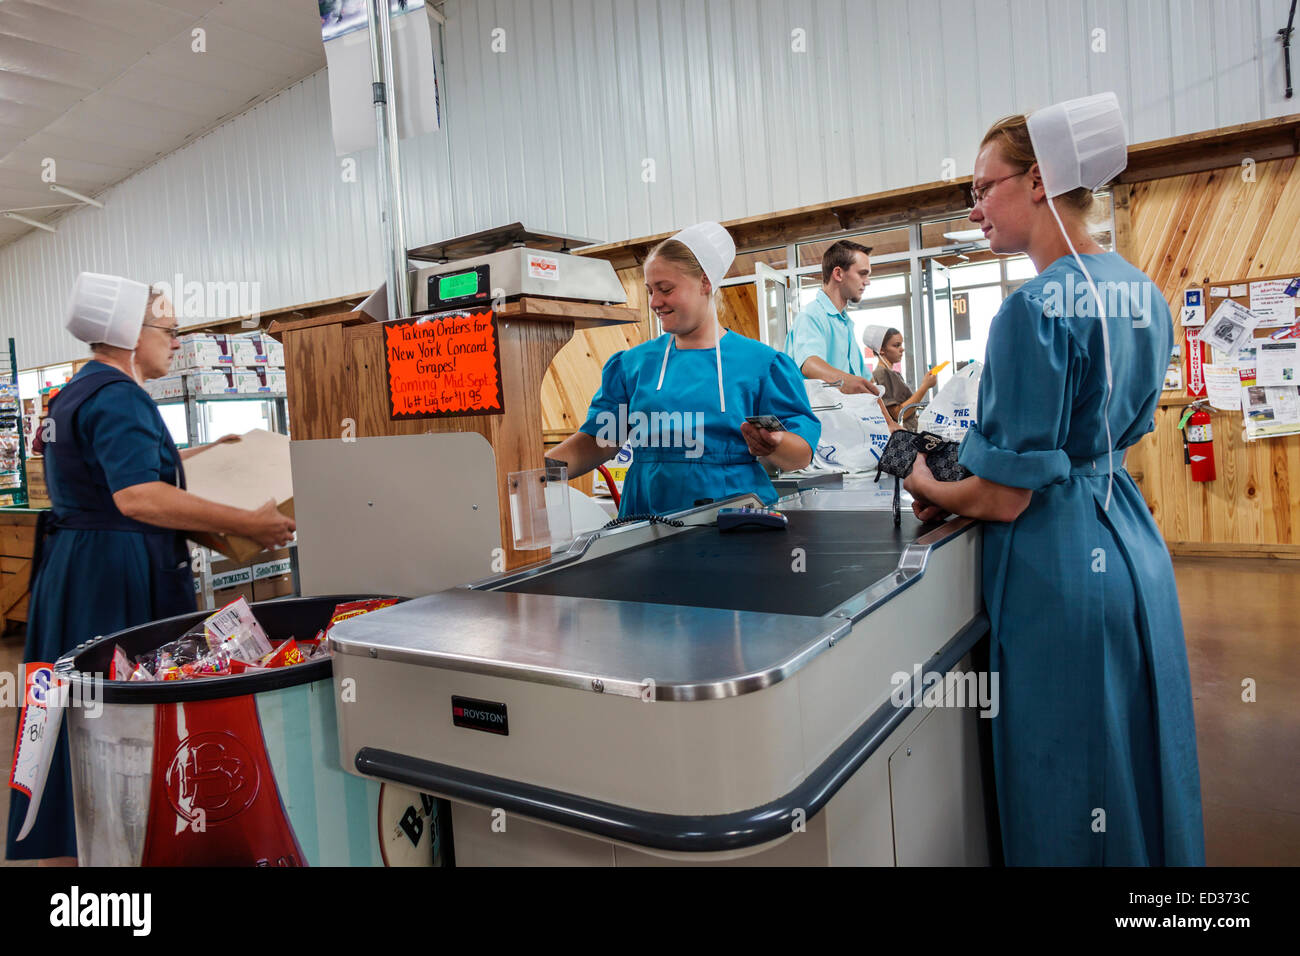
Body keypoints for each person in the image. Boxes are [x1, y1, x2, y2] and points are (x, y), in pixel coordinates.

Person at [902, 108, 1204, 865]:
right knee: (1136, 747)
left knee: (1067, 770)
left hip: (1058, 561)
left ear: (1039, 182)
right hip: (1131, 542)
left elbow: (1005, 496)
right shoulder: (1142, 291)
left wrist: (922, 479)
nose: (974, 209)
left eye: (983, 188)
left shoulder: (1032, 310)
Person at [6, 273, 296, 864]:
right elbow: (137, 496)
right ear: (128, 336)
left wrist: (198, 455)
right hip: (115, 575)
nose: (175, 342)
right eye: (167, 330)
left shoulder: (79, 392)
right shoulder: (119, 396)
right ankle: (127, 842)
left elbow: (112, 467)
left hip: (75, 567)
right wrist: (247, 521)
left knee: (76, 706)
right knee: (120, 709)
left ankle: (70, 840)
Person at [547, 222, 819, 516]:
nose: (654, 302)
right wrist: (540, 473)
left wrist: (773, 444)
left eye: (665, 289)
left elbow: (800, 454)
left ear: (705, 283)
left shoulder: (761, 365)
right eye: (650, 290)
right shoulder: (633, 365)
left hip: (731, 518)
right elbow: (601, 441)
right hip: (645, 516)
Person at [784, 239, 881, 396]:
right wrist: (846, 382)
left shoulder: (845, 324)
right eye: (862, 274)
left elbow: (867, 383)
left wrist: (888, 421)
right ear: (838, 274)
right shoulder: (811, 316)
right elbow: (809, 363)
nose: (867, 282)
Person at [863, 325, 938, 431]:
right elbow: (898, 414)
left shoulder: (894, 375)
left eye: (901, 344)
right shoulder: (881, 375)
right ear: (881, 350)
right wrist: (924, 387)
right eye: (896, 345)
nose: (902, 349)